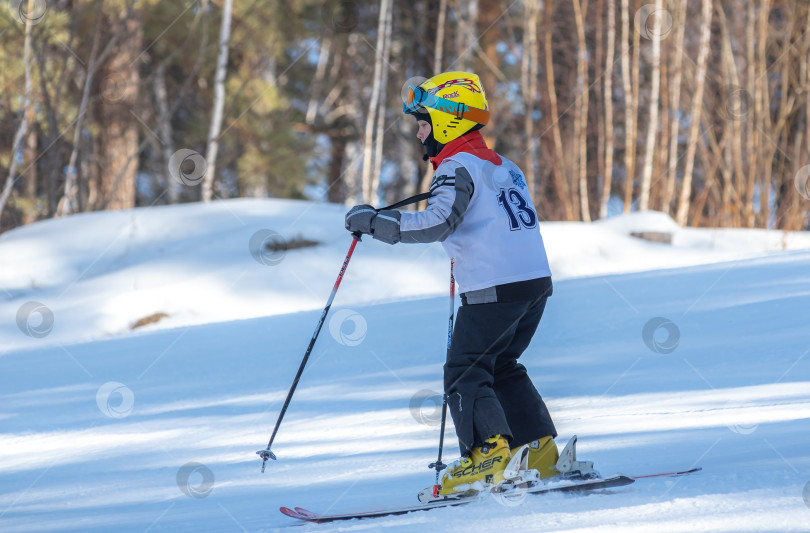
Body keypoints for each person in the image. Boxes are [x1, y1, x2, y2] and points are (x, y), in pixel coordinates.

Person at [345, 71, 559, 496]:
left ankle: (486, 457)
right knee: (502, 366)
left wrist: (373, 222)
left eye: (423, 122)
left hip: (494, 289)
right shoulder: (503, 164)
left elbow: (436, 222)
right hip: (533, 286)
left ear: (447, 121)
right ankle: (538, 451)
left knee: (465, 373)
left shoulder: (456, 167)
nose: (419, 133)